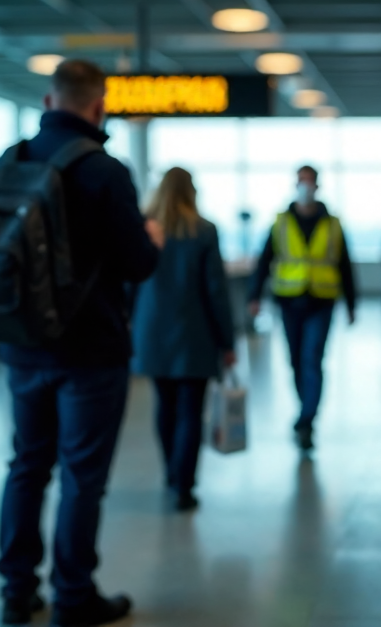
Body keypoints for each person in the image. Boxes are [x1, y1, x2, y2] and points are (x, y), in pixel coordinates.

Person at [0, 59, 161, 627]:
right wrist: (152, 239)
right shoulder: (103, 171)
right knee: (81, 477)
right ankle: (73, 596)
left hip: (21, 344)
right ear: (99, 107)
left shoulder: (8, 161)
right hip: (89, 350)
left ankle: (17, 591)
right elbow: (137, 264)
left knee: (26, 465)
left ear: (48, 101)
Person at [131, 168, 235, 512]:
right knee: (191, 411)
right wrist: (227, 340)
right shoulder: (203, 231)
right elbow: (216, 291)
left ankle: (171, 475)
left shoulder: (144, 227)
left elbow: (128, 283)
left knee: (165, 406)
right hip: (195, 333)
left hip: (152, 332)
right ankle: (184, 486)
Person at [246, 166, 357, 450]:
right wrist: (254, 296)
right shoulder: (281, 222)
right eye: (301, 182)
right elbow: (264, 259)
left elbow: (345, 264)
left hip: (322, 300)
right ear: (295, 184)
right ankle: (304, 409)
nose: (305, 187)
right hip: (289, 300)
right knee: (295, 360)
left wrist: (352, 304)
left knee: (312, 359)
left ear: (317, 186)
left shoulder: (332, 224)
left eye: (310, 182)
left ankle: (307, 418)